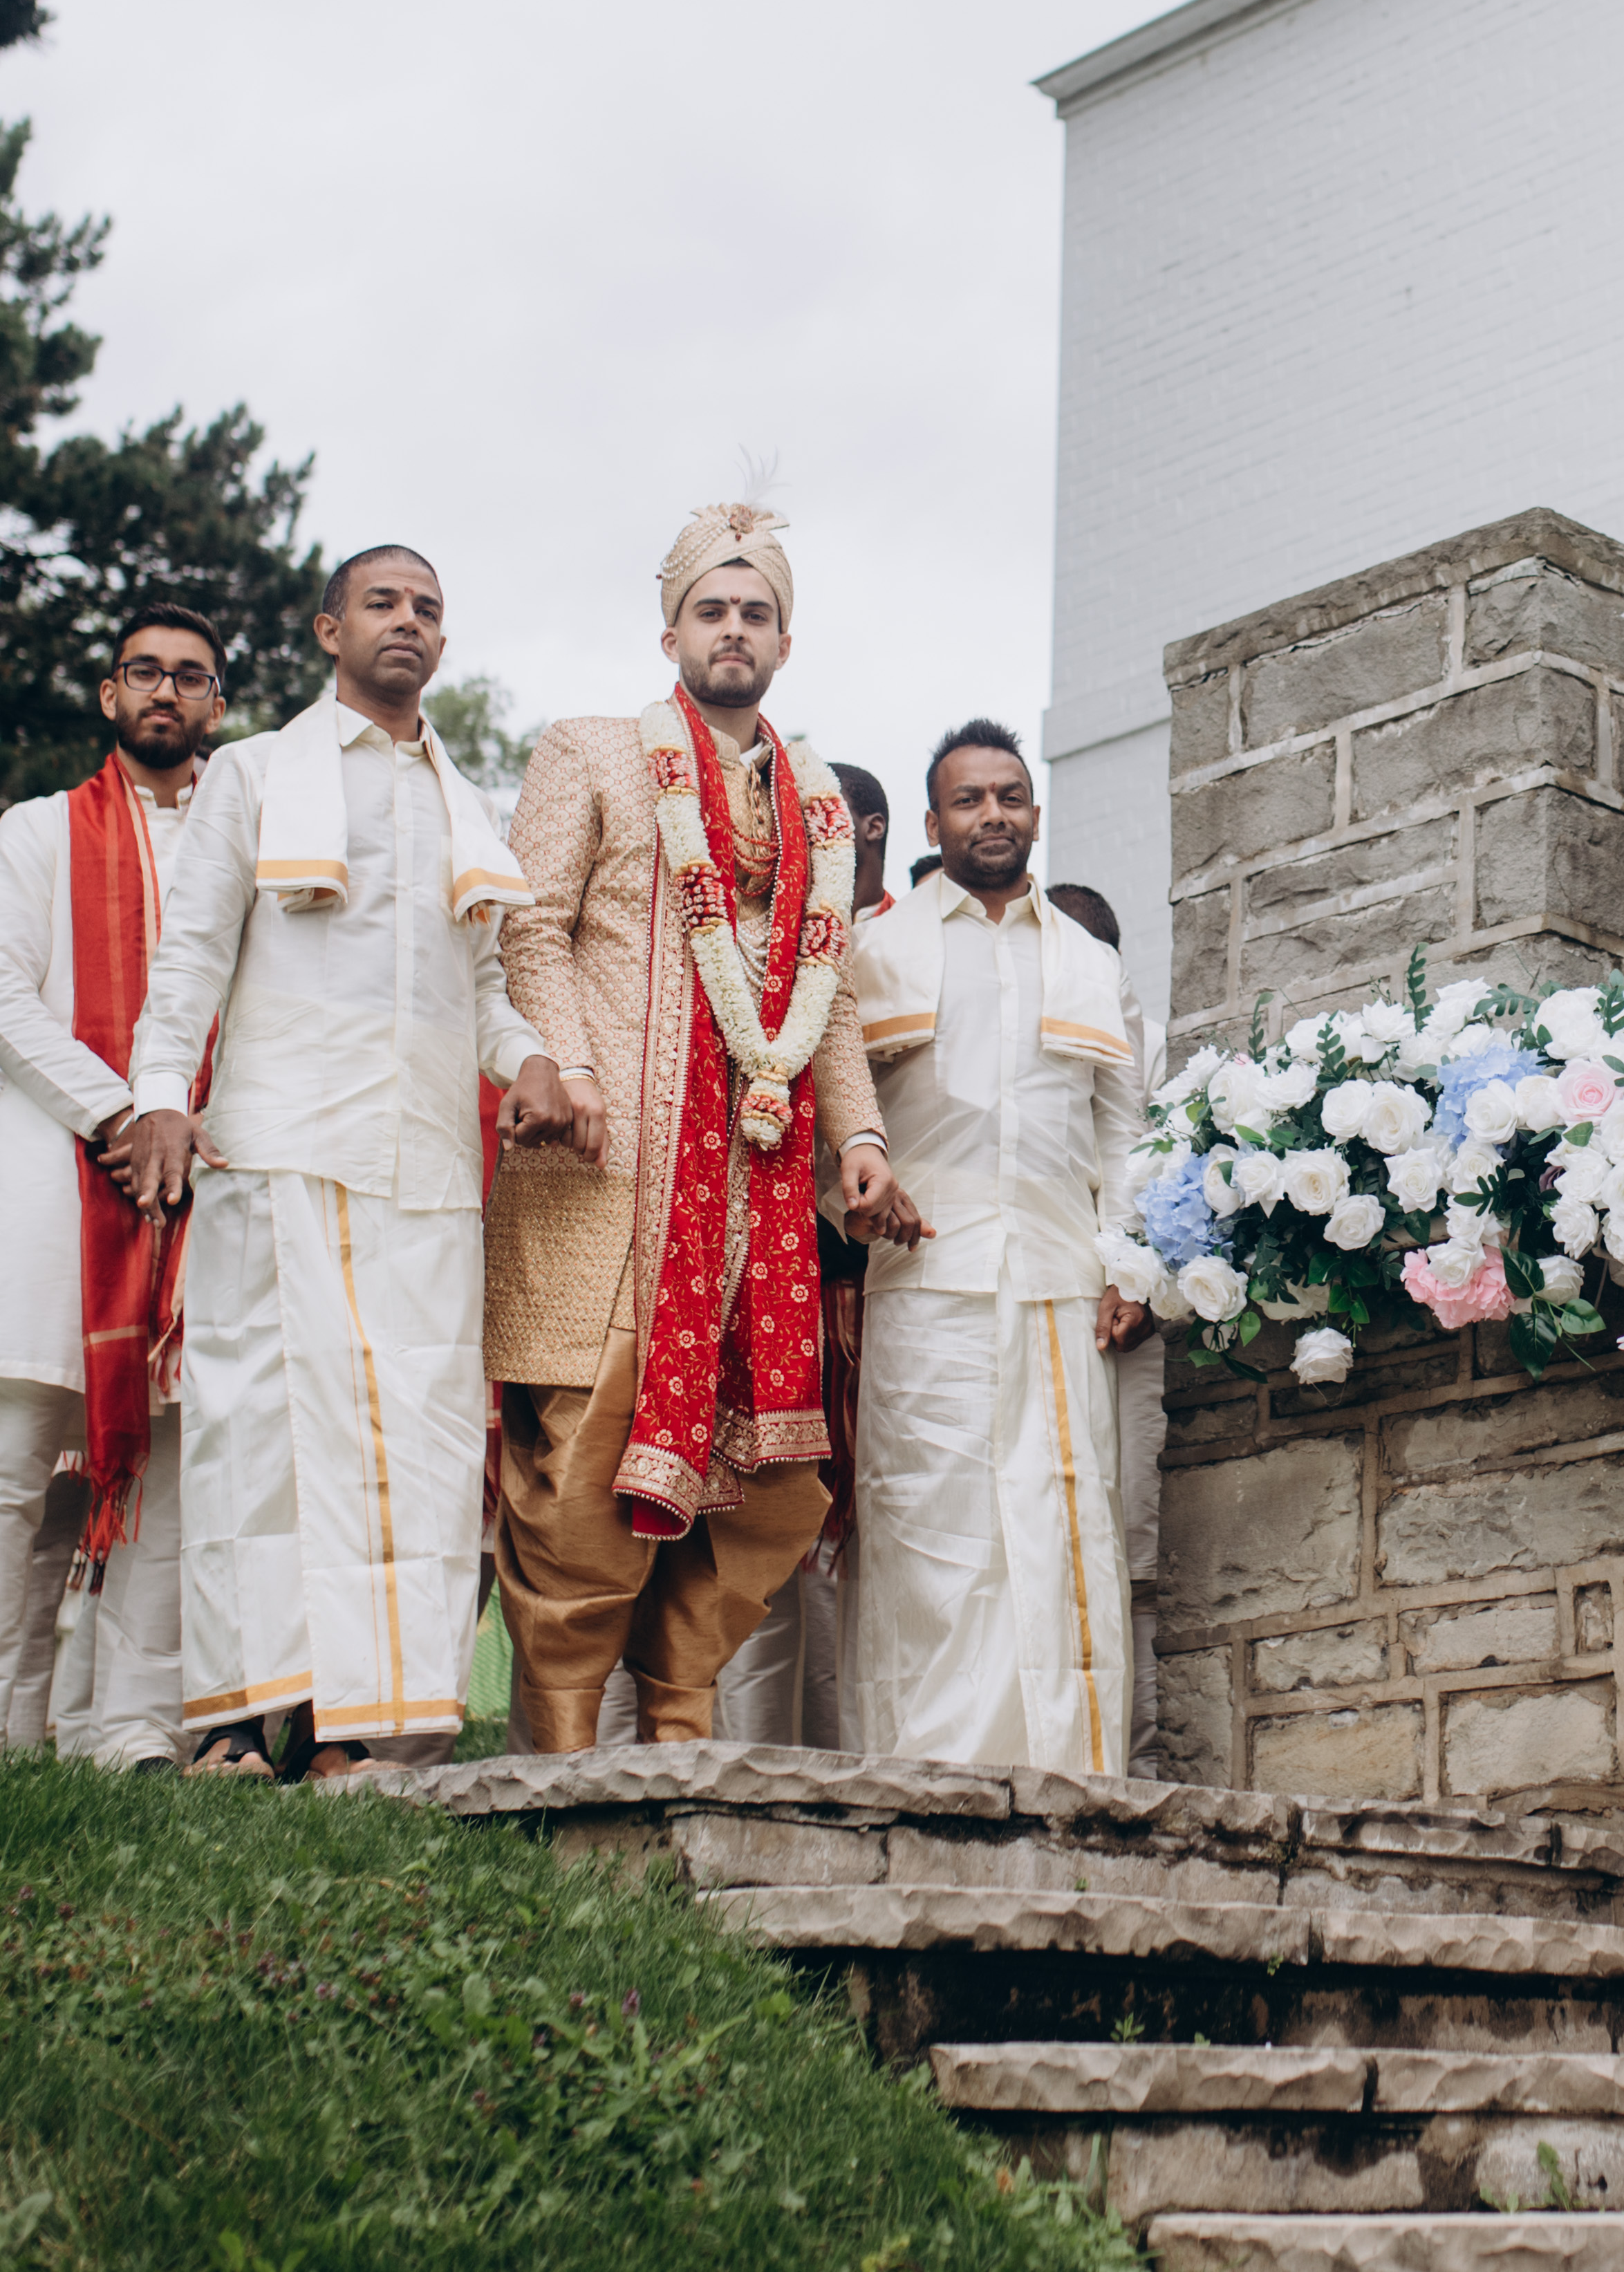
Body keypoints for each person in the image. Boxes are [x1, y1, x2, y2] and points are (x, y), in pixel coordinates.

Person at [119, 545, 570, 1780]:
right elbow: (189, 954)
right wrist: (159, 1097)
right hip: (279, 1151)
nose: (407, 622)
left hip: (425, 1173)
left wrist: (531, 1061)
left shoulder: (465, 807)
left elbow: (487, 989)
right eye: (382, 602)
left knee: (414, 1451)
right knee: (255, 1438)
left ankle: (351, 1733)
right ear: (329, 630)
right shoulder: (257, 773)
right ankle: (233, 1724)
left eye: (428, 607)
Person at [482, 505, 899, 1750]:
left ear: (784, 642)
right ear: (670, 632)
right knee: (581, 1457)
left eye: (755, 613)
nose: (733, 630)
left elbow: (827, 994)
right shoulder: (593, 752)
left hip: (753, 1192)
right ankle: (558, 1757)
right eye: (711, 610)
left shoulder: (818, 804)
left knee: (760, 1484)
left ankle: (678, 1738)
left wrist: (860, 1141)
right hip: (612, 1170)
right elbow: (529, 925)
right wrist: (570, 1064)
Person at [0, 604, 225, 1764]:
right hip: (52, 1189)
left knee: (170, 1474)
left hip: (208, 1189)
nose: (165, 691)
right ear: (108, 694)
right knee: (2, 1472)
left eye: (189, 676)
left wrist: (188, 1135)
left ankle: (131, 1730)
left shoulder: (242, 841)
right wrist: (118, 1120)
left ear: (219, 704)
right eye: (144, 671)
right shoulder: (39, 831)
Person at [839, 720, 1150, 1773]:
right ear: (933, 824)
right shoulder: (875, 953)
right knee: (932, 1526)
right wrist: (853, 1203)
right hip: (927, 1282)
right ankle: (925, 1777)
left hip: (1061, 1284)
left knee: (1060, 1526)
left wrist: (1128, 1264)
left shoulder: (1090, 963)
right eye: (968, 800)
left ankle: (1066, 1774)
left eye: (1009, 797)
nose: (992, 816)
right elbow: (832, 1119)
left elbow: (1125, 1132)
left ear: (1035, 814)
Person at [718, 756, 891, 1752]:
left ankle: (826, 1751)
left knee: (830, 1529)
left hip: (848, 1287)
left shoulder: (887, 947)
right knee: (745, 1520)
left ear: (860, 833)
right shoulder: (731, 939)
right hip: (740, 1263)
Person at [1036, 877, 1164, 1771]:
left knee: (1130, 1553)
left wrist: (1141, 1282)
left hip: (1128, 1336)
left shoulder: (1153, 1054)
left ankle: (1136, 1761)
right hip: (1041, 1308)